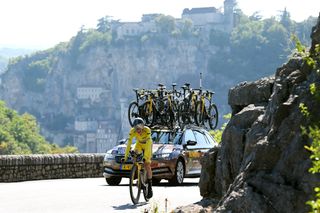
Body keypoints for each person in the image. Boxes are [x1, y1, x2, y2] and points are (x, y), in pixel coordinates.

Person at [122, 117, 153, 199]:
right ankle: (139, 175)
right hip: (139, 144)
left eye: (139, 128)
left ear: (143, 126)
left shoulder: (147, 130)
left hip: (147, 144)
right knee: (134, 153)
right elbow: (129, 144)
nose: (138, 131)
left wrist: (145, 157)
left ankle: (149, 185)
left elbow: (149, 143)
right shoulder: (132, 132)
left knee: (146, 164)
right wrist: (125, 157)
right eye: (136, 129)